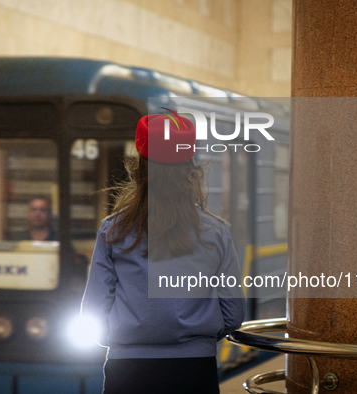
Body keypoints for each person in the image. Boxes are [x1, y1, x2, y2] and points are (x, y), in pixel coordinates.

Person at [81, 114, 245, 394]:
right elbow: (233, 315)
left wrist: (126, 339)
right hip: (195, 369)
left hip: (128, 370)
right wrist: (195, 338)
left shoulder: (113, 231)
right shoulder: (217, 232)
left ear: (139, 168)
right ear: (191, 167)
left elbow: (93, 312)